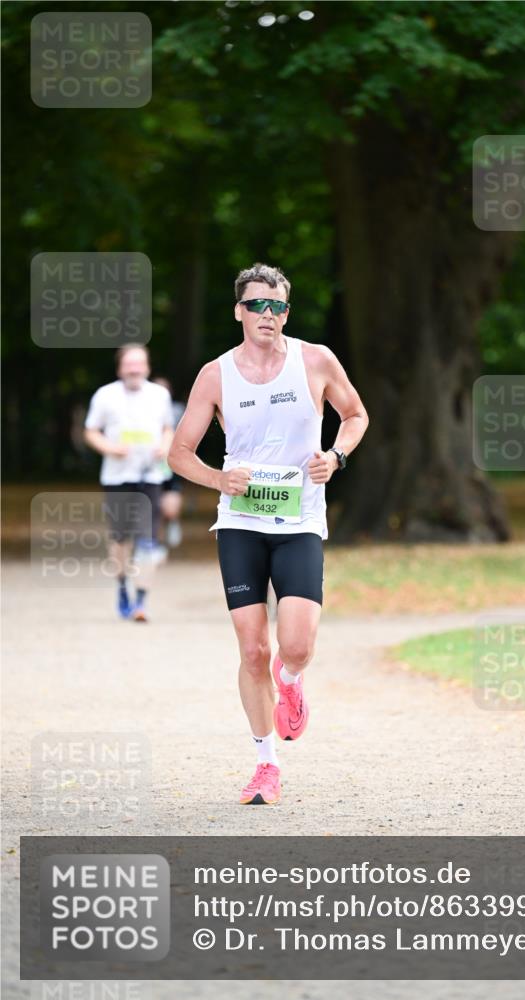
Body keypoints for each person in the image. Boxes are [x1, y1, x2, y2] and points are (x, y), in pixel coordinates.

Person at [168, 263, 369, 805]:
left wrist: (335, 455)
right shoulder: (216, 375)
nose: (268, 315)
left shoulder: (316, 360)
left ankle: (293, 679)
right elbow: (178, 453)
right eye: (257, 305)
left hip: (300, 520)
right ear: (239, 311)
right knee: (253, 648)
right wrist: (219, 478)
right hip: (240, 522)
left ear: (287, 313)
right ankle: (265, 764)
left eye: (277, 306)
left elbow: (355, 415)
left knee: (296, 646)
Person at [84, 344, 174, 622]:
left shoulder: (160, 395)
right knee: (121, 538)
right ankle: (123, 586)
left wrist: (165, 446)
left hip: (151, 476)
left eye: (139, 364)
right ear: (120, 368)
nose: (134, 369)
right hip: (117, 477)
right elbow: (90, 431)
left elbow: (168, 428)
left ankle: (142, 602)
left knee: (148, 540)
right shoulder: (105, 395)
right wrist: (110, 448)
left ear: (147, 367)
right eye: (129, 364)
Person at [154, 376, 186, 549]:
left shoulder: (178, 411)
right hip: (149, 462)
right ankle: (154, 541)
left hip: (171, 462)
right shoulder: (141, 411)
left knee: (170, 505)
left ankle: (173, 521)